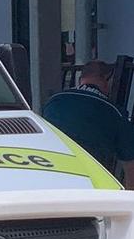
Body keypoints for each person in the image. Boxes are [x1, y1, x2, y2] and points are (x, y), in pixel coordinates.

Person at [43, 60, 134, 189]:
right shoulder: (114, 112)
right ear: (107, 79)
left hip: (52, 176)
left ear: (81, 78)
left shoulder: (53, 102)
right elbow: (130, 166)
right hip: (92, 184)